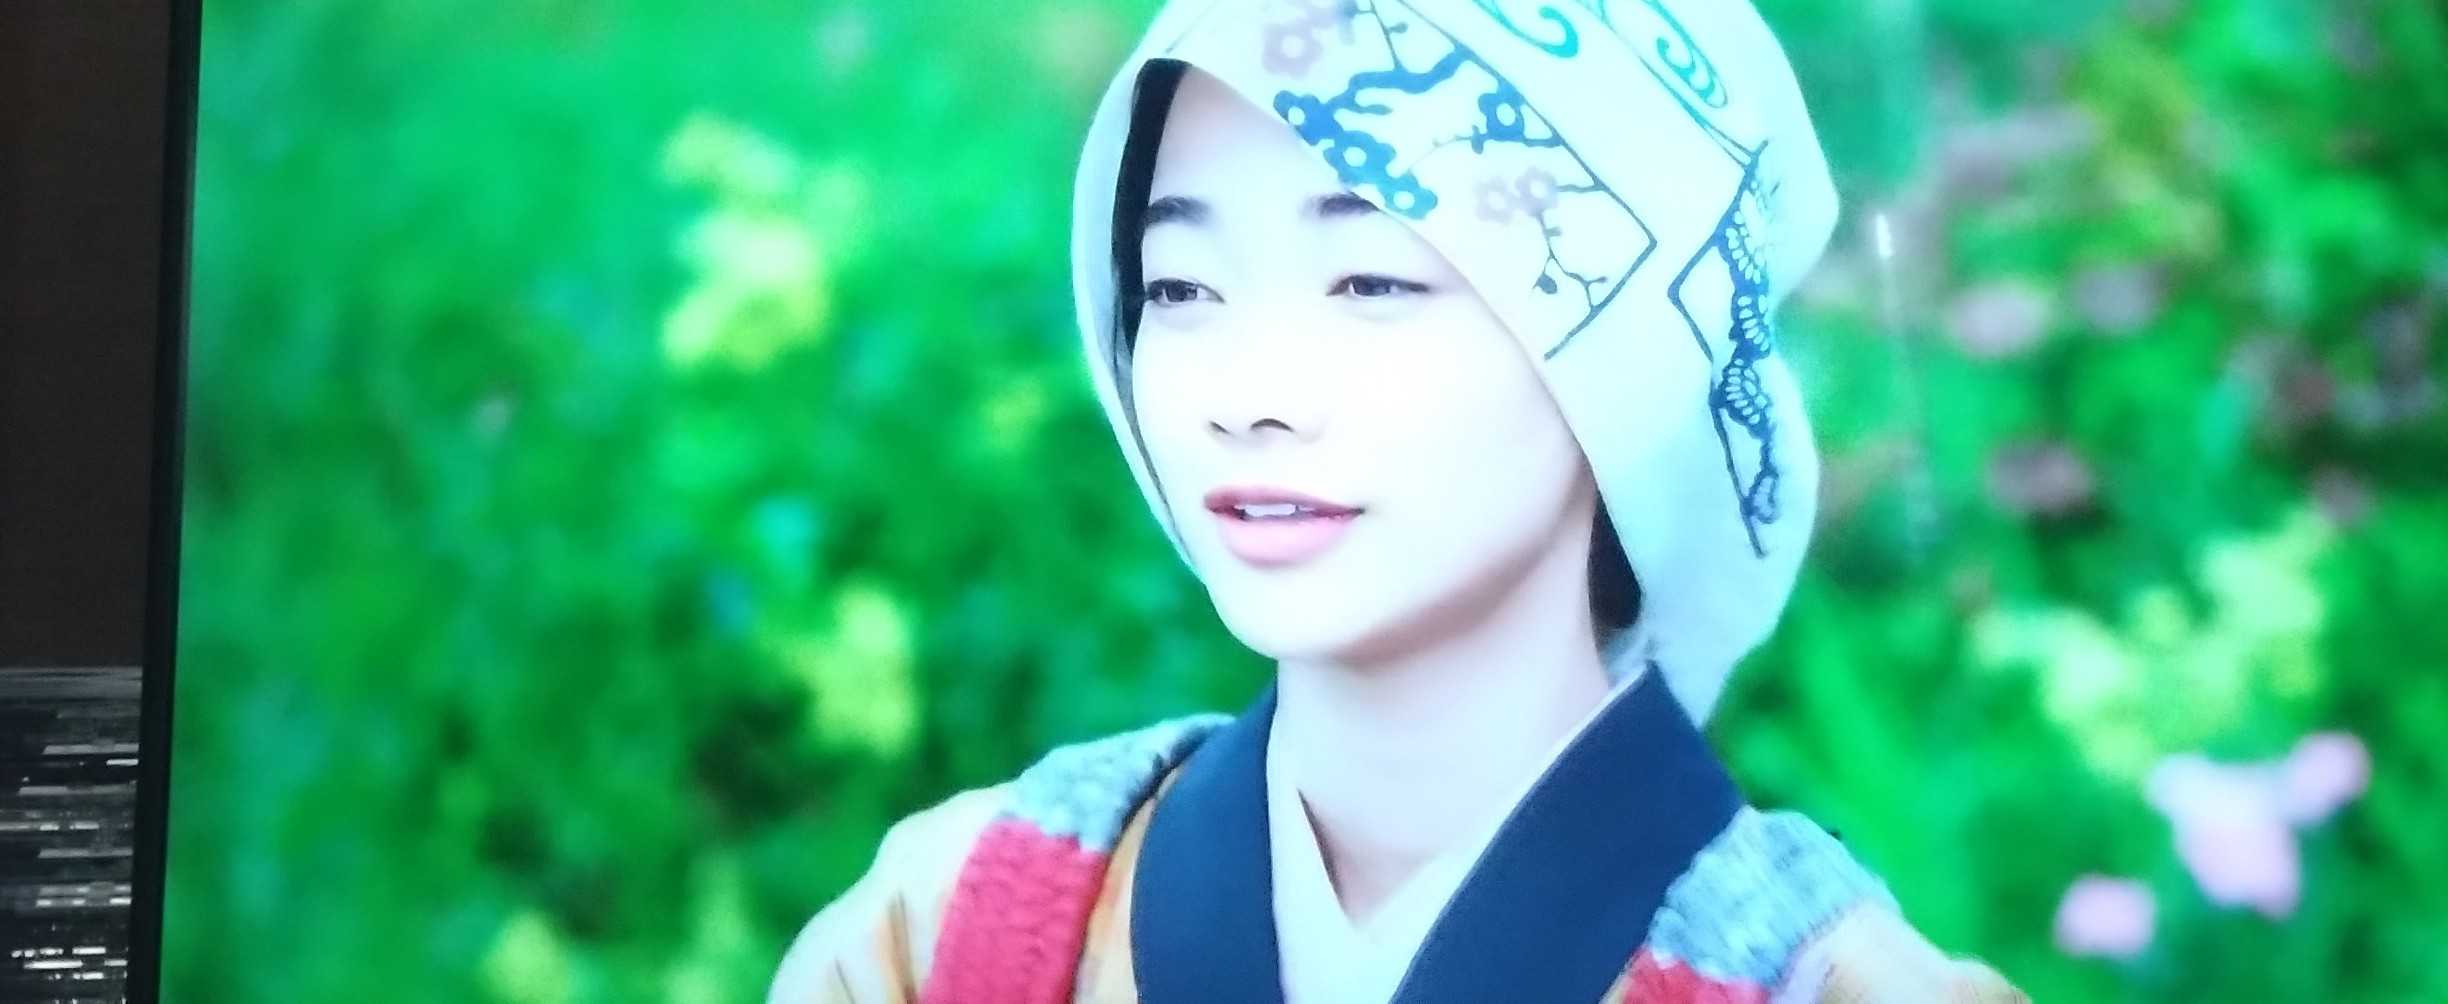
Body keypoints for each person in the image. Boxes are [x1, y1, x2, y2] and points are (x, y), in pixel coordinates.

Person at [774, 0, 2027, 1000]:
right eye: (1182, 286)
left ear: (1628, 356)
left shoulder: (1835, 985)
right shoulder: (961, 923)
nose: (1249, 396)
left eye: (1372, 282)